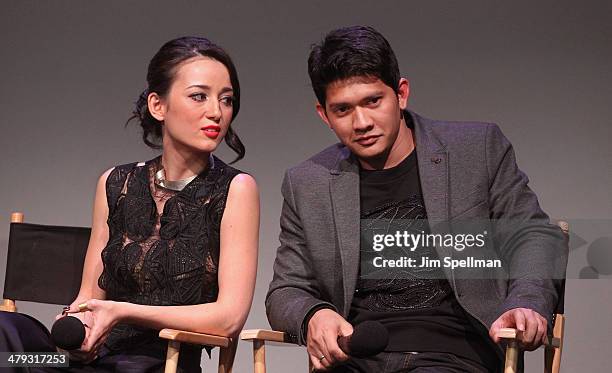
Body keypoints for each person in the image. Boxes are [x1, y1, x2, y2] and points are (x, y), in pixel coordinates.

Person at [266, 26, 566, 372]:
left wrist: (527, 302)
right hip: (358, 359)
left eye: (373, 101)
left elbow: (533, 235)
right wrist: (313, 315)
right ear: (324, 115)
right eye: (343, 110)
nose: (362, 122)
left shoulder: (476, 149)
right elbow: (286, 289)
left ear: (401, 94)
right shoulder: (308, 183)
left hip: (456, 356)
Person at [0, 36, 259, 372]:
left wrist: (122, 311)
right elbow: (88, 296)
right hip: (89, 360)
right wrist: (80, 326)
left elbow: (228, 319)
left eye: (226, 100)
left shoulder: (236, 189)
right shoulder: (116, 182)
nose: (216, 112)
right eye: (199, 96)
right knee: (9, 345)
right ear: (158, 106)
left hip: (157, 362)